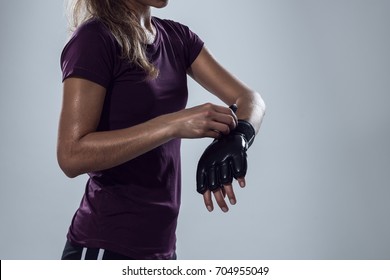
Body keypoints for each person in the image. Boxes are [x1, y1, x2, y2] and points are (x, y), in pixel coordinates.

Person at [57, 0, 265, 260]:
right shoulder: (94, 39)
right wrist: (172, 124)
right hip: (105, 246)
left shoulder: (177, 38)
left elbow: (250, 99)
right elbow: (71, 155)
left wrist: (238, 136)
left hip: (162, 251)